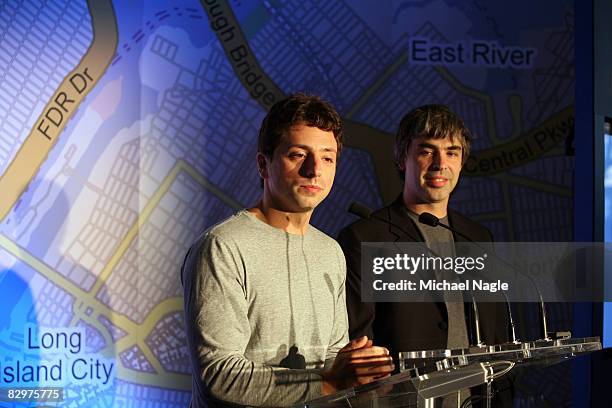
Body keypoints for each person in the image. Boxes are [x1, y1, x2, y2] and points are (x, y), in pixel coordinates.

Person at [181, 93, 394, 408]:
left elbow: (331, 357)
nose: (314, 170)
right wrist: (330, 381)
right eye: (298, 154)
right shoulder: (222, 247)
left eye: (327, 157)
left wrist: (357, 366)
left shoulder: (331, 251)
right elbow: (219, 375)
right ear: (262, 164)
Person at [338, 104, 509, 356]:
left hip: (477, 395)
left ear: (462, 162)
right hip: (406, 394)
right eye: (427, 151)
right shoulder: (365, 238)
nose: (440, 164)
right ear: (401, 158)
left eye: (452, 153)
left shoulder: (479, 238)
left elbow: (497, 332)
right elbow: (360, 344)